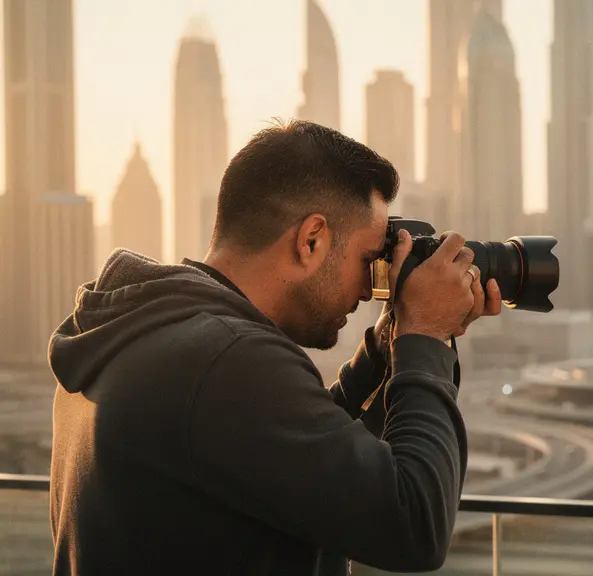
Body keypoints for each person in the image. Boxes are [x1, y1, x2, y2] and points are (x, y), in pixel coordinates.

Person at [47, 120, 501, 575]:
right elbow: (415, 525)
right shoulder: (228, 360)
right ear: (311, 240)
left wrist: (389, 345)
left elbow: (296, 454)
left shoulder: (142, 336)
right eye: (368, 260)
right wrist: (426, 335)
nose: (368, 290)